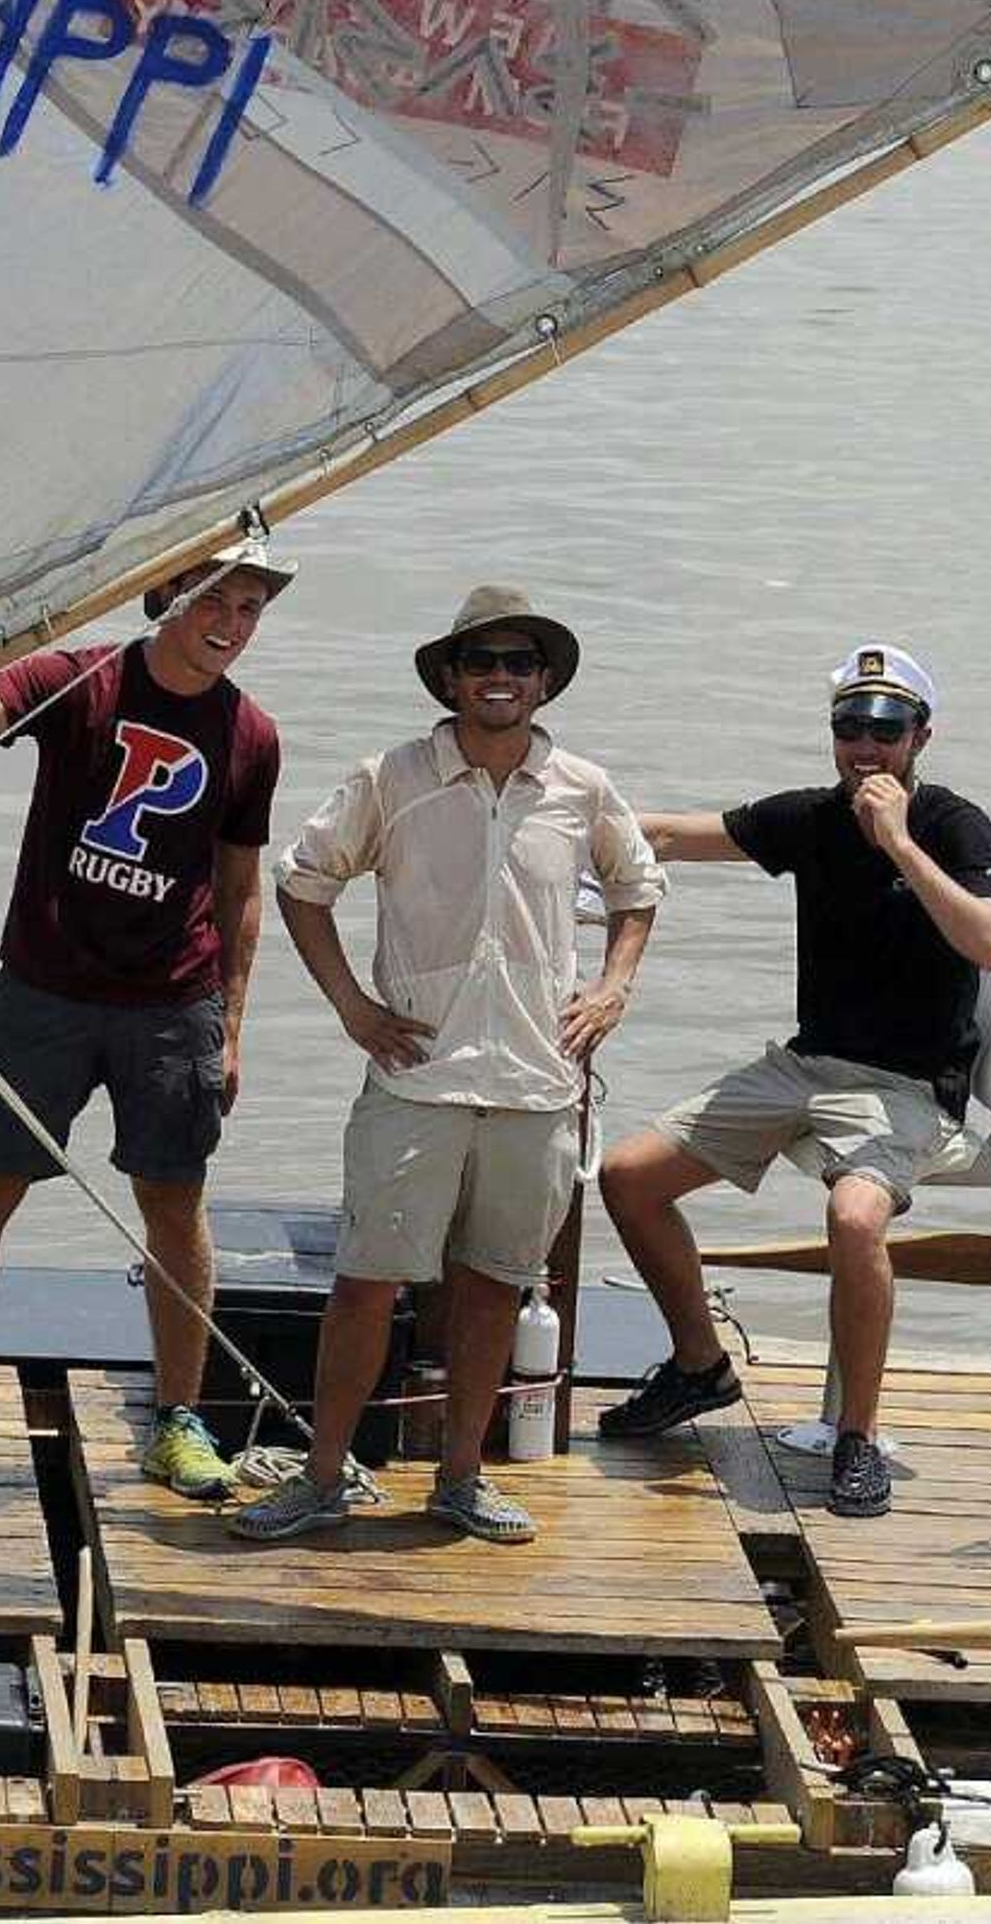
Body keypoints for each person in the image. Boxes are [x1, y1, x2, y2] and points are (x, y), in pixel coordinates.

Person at [0, 533, 291, 1499]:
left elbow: (243, 886)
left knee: (173, 1204)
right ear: (166, 593)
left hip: (174, 1004)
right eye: (216, 602)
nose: (232, 627)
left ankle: (178, 1422)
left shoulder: (252, 736)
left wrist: (233, 1024)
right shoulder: (80, 679)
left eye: (249, 610)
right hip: (43, 990)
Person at [230, 586, 662, 1545]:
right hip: (415, 1076)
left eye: (518, 662)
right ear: (451, 679)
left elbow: (640, 887)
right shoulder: (391, 777)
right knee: (365, 1282)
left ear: (543, 681)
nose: (499, 678)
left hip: (538, 1083)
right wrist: (352, 1006)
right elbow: (303, 885)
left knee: (496, 1284)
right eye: (481, 662)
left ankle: (462, 1478)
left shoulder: (583, 789)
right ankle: (323, 1474)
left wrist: (614, 988)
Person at [592, 643, 991, 1518]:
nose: (866, 746)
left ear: (920, 737)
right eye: (850, 727)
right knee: (628, 1176)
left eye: (886, 730)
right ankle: (701, 1366)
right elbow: (667, 834)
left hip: (905, 1084)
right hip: (803, 1063)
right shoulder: (809, 819)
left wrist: (896, 841)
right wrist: (554, 812)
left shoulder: (952, 823)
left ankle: (856, 1435)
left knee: (854, 1213)